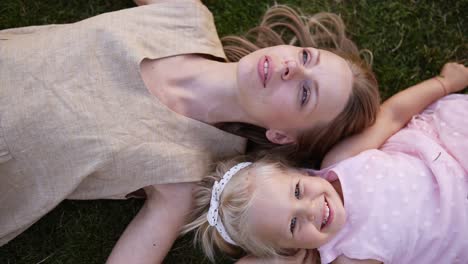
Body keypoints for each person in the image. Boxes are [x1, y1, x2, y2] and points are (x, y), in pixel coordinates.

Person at [0, 0, 380, 262]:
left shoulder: (186, 174)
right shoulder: (186, 15)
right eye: (305, 57)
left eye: (303, 94)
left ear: (281, 136)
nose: (290, 68)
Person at [183, 62, 468, 263]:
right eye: (294, 224)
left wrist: (444, 83)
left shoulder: (342, 163)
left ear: (296, 171)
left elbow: (391, 115)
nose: (311, 208)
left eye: (297, 191)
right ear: (289, 249)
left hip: (450, 150)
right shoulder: (350, 255)